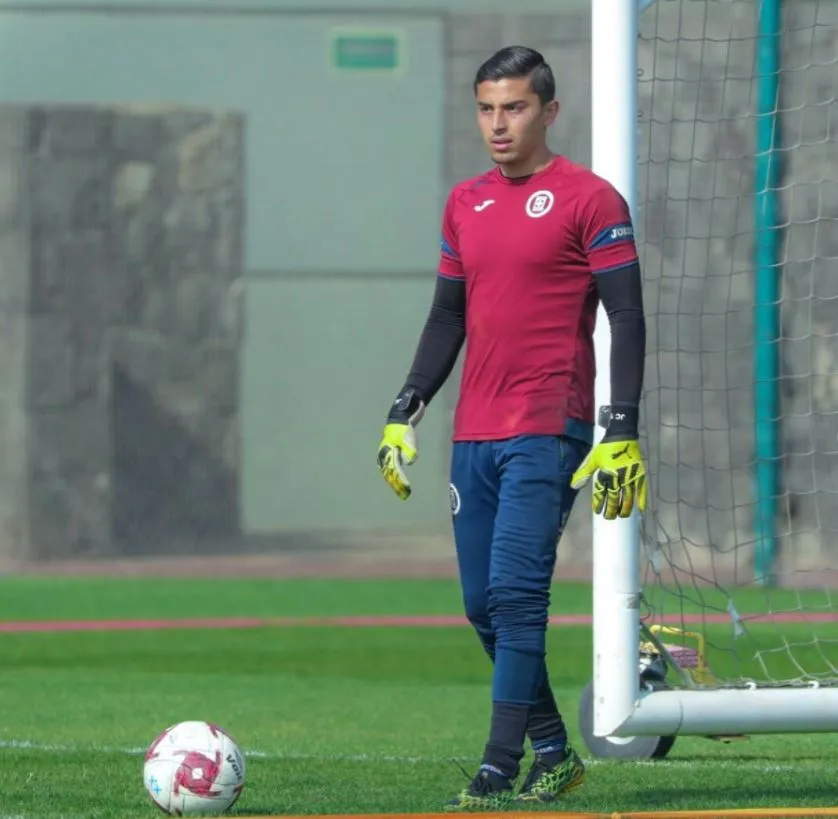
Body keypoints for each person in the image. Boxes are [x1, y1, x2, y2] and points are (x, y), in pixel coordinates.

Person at [376, 45, 648, 811]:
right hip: (473, 431)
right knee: (479, 604)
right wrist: (405, 408)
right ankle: (556, 751)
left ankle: (498, 765)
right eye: (487, 108)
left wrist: (619, 425)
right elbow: (447, 316)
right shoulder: (465, 202)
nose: (498, 123)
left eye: (515, 107)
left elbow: (626, 315)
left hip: (548, 423)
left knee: (518, 595)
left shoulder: (591, 199)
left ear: (550, 111)